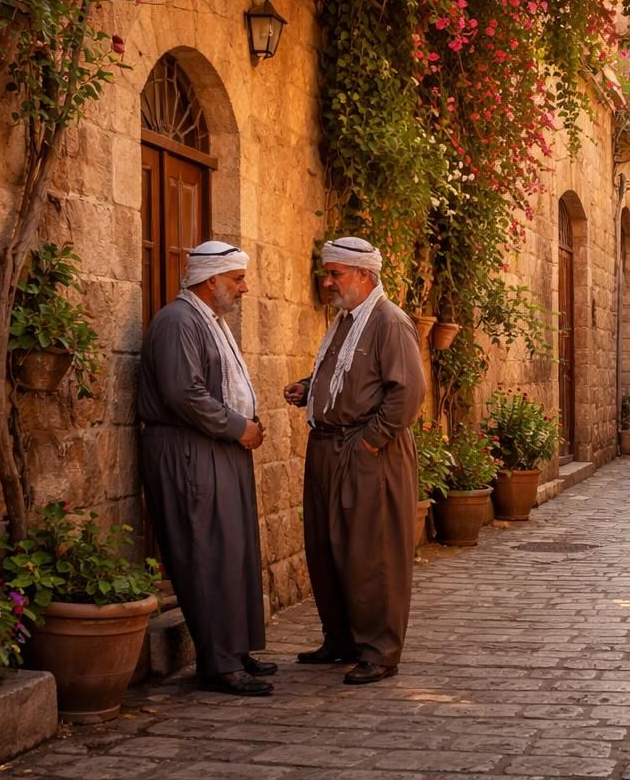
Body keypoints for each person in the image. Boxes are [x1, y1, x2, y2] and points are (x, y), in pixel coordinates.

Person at [284, 237, 425, 685]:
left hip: (368, 453)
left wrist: (370, 441)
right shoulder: (347, 321)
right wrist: (311, 388)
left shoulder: (389, 321)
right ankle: (341, 639)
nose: (327, 282)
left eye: (336, 274)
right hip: (328, 447)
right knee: (327, 546)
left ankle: (379, 650)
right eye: (326, 273)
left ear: (365, 275)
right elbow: (351, 374)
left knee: (371, 549)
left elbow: (407, 392)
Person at [136, 241, 273, 697]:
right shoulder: (178, 322)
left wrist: (243, 427)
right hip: (190, 450)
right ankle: (218, 663)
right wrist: (238, 427)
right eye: (237, 280)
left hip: (218, 446)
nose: (245, 287)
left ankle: (237, 651)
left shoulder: (208, 322)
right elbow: (184, 394)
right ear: (211, 280)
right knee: (206, 550)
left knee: (234, 550)